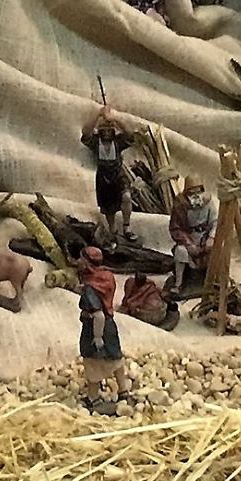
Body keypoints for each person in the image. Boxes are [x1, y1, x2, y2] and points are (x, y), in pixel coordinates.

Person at [76, 246, 125, 409]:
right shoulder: (107, 277)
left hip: (95, 327)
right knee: (115, 357)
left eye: (81, 259)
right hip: (110, 326)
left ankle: (93, 398)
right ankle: (123, 390)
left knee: (92, 362)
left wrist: (97, 337)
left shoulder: (90, 289)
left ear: (87, 263)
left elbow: (98, 315)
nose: (78, 261)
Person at [81, 106, 137, 243]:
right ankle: (113, 230)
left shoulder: (118, 142)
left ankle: (127, 226)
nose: (106, 132)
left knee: (126, 197)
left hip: (118, 174)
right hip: (103, 177)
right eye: (103, 129)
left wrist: (115, 119)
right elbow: (85, 132)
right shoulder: (96, 143)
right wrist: (98, 114)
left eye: (109, 129)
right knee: (108, 209)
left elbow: (130, 134)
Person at [166, 179, 217, 297]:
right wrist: (188, 244)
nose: (196, 196)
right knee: (180, 252)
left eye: (198, 192)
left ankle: (213, 280)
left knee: (217, 250)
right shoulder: (180, 206)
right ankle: (179, 284)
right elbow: (176, 228)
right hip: (189, 238)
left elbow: (215, 222)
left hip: (205, 237)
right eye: (192, 193)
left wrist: (211, 237)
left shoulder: (209, 202)